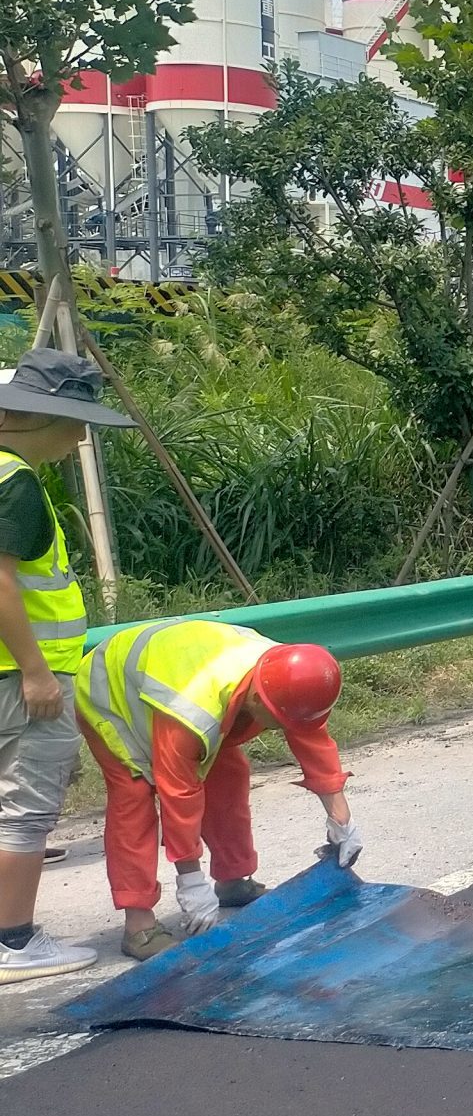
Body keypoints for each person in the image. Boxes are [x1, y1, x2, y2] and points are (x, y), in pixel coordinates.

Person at [76, 622, 356, 960]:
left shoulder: (286, 675)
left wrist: (342, 820)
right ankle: (139, 927)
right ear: (257, 698)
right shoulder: (191, 710)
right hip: (112, 691)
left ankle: (233, 880)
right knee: (134, 795)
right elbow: (178, 792)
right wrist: (190, 880)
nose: (284, 730)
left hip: (177, 671)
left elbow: (311, 739)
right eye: (280, 722)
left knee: (228, 774)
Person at [0, 349, 131, 985]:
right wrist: (36, 671)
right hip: (22, 679)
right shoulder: (14, 481)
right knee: (24, 810)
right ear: (33, 416)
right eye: (75, 421)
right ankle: (14, 941)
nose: (80, 435)